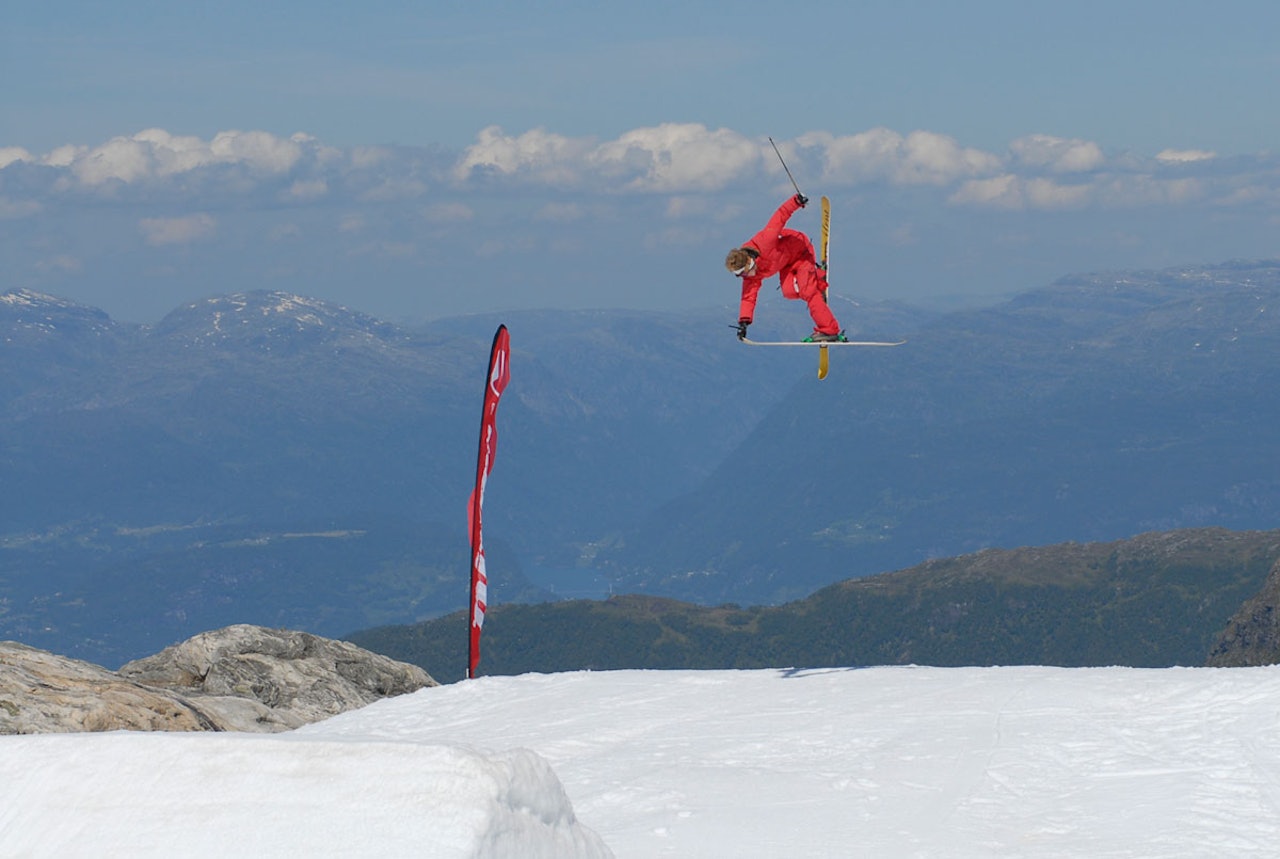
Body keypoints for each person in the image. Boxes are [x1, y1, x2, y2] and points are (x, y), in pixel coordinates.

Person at [726, 193, 845, 342]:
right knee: (789, 292)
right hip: (786, 263)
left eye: (744, 272)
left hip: (801, 251)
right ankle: (816, 282)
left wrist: (796, 201)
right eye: (740, 275)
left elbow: (780, 216)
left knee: (807, 291)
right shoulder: (751, 275)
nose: (746, 276)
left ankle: (829, 329)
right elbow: (748, 297)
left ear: (750, 261)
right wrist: (744, 322)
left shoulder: (765, 241)